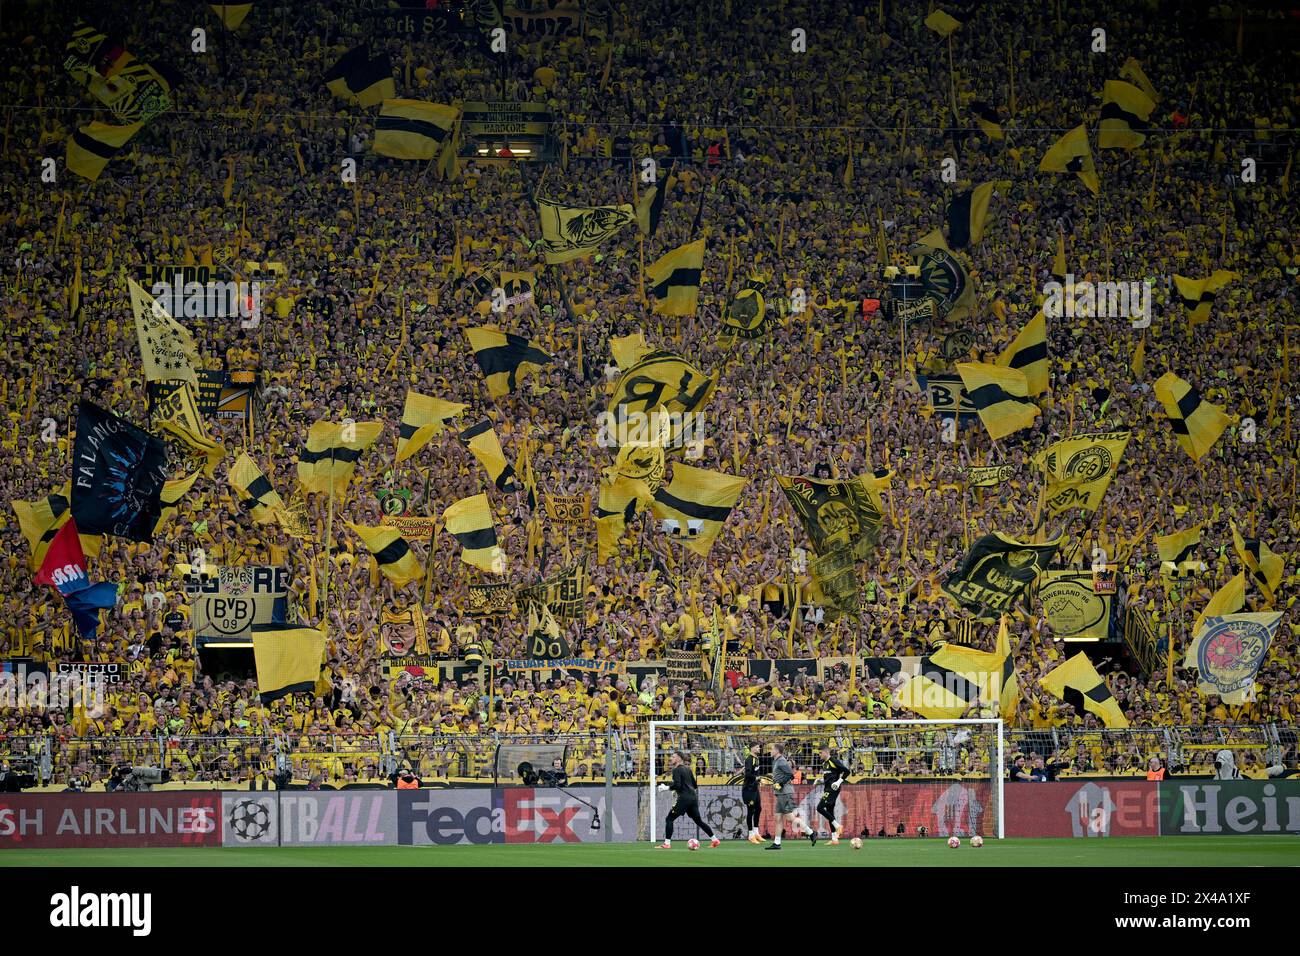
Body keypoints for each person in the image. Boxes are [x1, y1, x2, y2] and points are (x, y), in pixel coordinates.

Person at [656, 751, 719, 849]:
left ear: (679, 759)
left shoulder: (676, 770)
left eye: (673, 757)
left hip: (684, 799)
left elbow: (677, 785)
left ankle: (667, 844)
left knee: (669, 819)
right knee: (698, 821)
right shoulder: (688, 769)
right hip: (693, 798)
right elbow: (694, 785)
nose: (671, 758)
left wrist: (666, 788)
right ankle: (714, 840)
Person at [766, 742, 815, 849]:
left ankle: (810, 832)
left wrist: (780, 783)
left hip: (784, 793)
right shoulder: (776, 761)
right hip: (780, 793)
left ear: (777, 751)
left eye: (772, 749)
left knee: (790, 817)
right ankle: (777, 843)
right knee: (778, 818)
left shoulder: (782, 761)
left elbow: (790, 775)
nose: (770, 751)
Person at [814, 744, 851, 843]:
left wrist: (838, 782)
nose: (819, 755)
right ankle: (834, 839)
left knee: (820, 808)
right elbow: (828, 779)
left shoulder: (834, 761)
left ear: (826, 752)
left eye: (820, 753)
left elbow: (847, 771)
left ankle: (838, 826)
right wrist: (820, 780)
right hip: (827, 789)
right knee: (830, 812)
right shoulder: (824, 764)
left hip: (833, 789)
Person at [742, 741, 763, 843]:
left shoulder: (757, 759)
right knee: (751, 811)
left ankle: (756, 832)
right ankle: (750, 835)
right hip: (748, 790)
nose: (759, 749)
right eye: (757, 747)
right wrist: (757, 777)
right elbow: (747, 774)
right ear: (752, 748)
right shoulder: (749, 760)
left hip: (755, 789)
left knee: (759, 808)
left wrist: (758, 780)